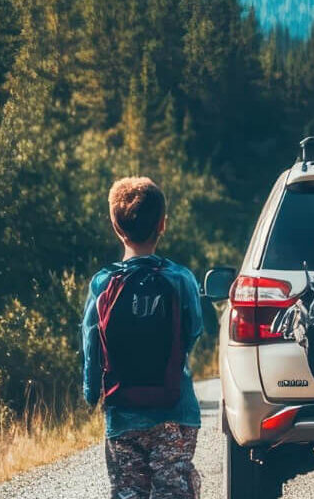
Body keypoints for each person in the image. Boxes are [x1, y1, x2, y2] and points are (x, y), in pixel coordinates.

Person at [83, 177, 205, 499]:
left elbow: (92, 343)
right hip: (175, 409)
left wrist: (91, 392)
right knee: (174, 490)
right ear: (162, 224)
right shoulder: (180, 278)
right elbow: (193, 332)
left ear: (115, 226)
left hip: (123, 412)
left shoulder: (102, 283)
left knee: (128, 492)